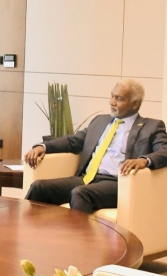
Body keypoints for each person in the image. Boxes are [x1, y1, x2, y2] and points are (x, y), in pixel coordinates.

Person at [24, 79, 167, 213]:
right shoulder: (100, 121)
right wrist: (43, 147)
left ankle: (78, 240)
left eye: (119, 98)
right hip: (87, 179)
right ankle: (26, 233)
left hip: (117, 183)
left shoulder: (152, 127)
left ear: (135, 104)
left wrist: (143, 160)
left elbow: (164, 151)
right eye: (112, 96)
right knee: (39, 187)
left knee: (80, 193)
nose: (112, 102)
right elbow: (72, 141)